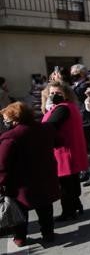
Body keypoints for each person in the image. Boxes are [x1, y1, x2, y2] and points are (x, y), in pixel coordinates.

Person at [0, 102, 60, 246]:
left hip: (20, 181)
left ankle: (20, 238)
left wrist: (1, 181)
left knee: (20, 210)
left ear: (15, 119)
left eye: (6, 118)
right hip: (45, 174)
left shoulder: (10, 136)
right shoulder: (46, 128)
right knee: (45, 207)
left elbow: (2, 164)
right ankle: (48, 234)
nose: (4, 121)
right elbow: (58, 142)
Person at [42, 82, 89, 221]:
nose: (54, 95)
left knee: (65, 185)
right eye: (51, 93)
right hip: (69, 149)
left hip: (63, 151)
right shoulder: (69, 106)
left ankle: (68, 212)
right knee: (72, 182)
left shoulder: (62, 109)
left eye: (58, 93)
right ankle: (76, 205)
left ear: (66, 94)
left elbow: (49, 127)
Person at [70, 64, 90, 187]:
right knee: (83, 148)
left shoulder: (87, 85)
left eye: (74, 72)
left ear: (81, 73)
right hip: (79, 120)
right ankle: (85, 171)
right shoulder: (75, 85)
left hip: (87, 120)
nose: (72, 75)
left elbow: (77, 94)